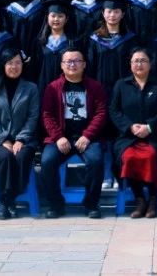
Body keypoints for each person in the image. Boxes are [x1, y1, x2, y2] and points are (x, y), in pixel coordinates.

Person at [39, 45, 109, 218]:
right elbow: (47, 115)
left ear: (84, 64)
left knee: (96, 161)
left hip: (88, 138)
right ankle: (55, 204)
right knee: (47, 162)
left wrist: (87, 135)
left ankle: (91, 204)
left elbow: (101, 113)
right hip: (60, 138)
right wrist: (58, 137)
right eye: (68, 61)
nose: (72, 65)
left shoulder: (95, 87)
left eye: (77, 61)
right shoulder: (52, 87)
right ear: (62, 65)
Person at [110, 47, 157, 218]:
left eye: (143, 61)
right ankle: (139, 199)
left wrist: (149, 127)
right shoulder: (121, 85)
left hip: (155, 136)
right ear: (130, 64)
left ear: (150, 64)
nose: (139, 64)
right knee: (128, 157)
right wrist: (130, 127)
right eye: (135, 61)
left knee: (152, 156)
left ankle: (154, 198)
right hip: (128, 137)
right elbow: (114, 111)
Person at [0, 48, 41, 219]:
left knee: (21, 156)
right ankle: (4, 201)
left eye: (18, 63)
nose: (14, 67)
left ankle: (8, 199)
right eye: (10, 63)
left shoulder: (31, 88)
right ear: (3, 65)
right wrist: (3, 139)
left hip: (25, 139)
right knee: (5, 156)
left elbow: (33, 117)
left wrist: (21, 139)